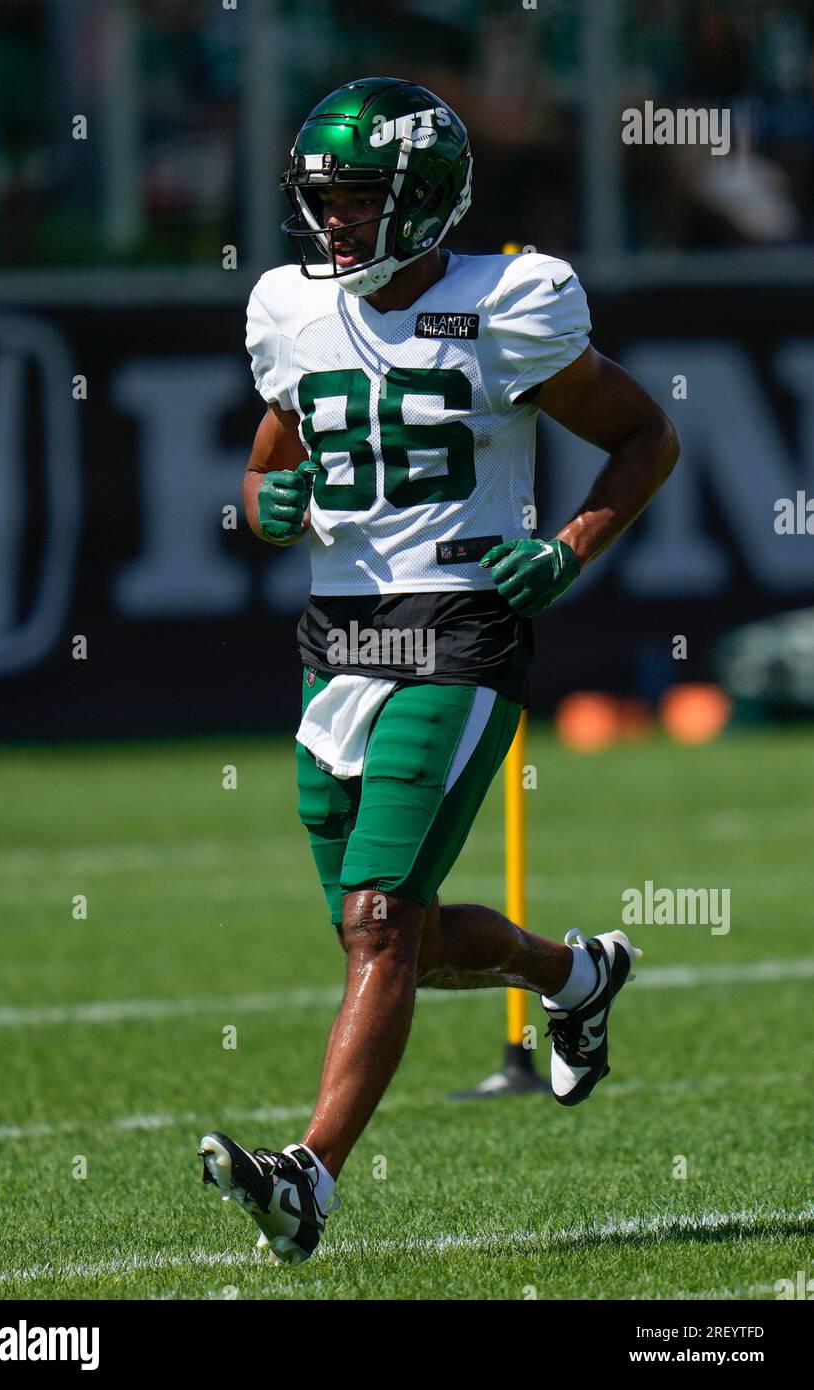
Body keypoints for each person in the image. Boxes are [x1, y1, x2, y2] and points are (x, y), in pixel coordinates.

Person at [198, 77, 679, 1266]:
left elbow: (641, 432)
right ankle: (573, 975)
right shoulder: (286, 309)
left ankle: (308, 1176)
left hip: (461, 627)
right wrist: (268, 507)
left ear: (420, 200)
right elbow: (262, 470)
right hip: (340, 637)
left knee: (377, 924)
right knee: (378, 931)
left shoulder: (507, 300)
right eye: (324, 201)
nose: (334, 225)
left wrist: (565, 548)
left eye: (358, 199)